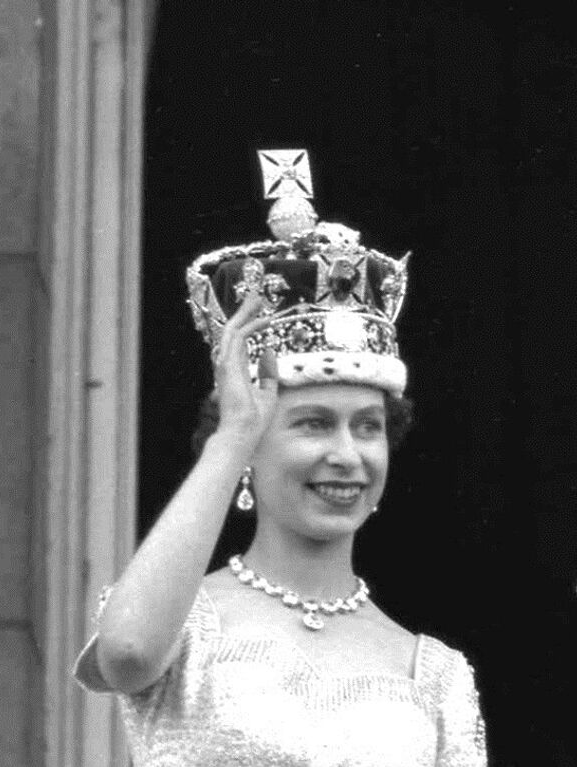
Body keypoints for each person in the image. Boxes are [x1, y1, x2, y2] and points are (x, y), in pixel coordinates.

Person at [75, 150, 487, 766]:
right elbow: (128, 653)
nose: (346, 455)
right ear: (249, 448)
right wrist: (234, 432)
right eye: (313, 425)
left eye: (368, 428)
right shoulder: (184, 624)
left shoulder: (435, 677)